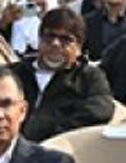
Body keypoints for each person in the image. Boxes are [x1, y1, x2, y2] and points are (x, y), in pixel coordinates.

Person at [9, 8, 114, 141]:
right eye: (49, 37)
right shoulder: (13, 74)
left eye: (65, 40)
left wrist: (54, 132)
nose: (55, 44)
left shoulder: (89, 77)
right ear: (39, 39)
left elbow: (101, 110)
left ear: (79, 47)